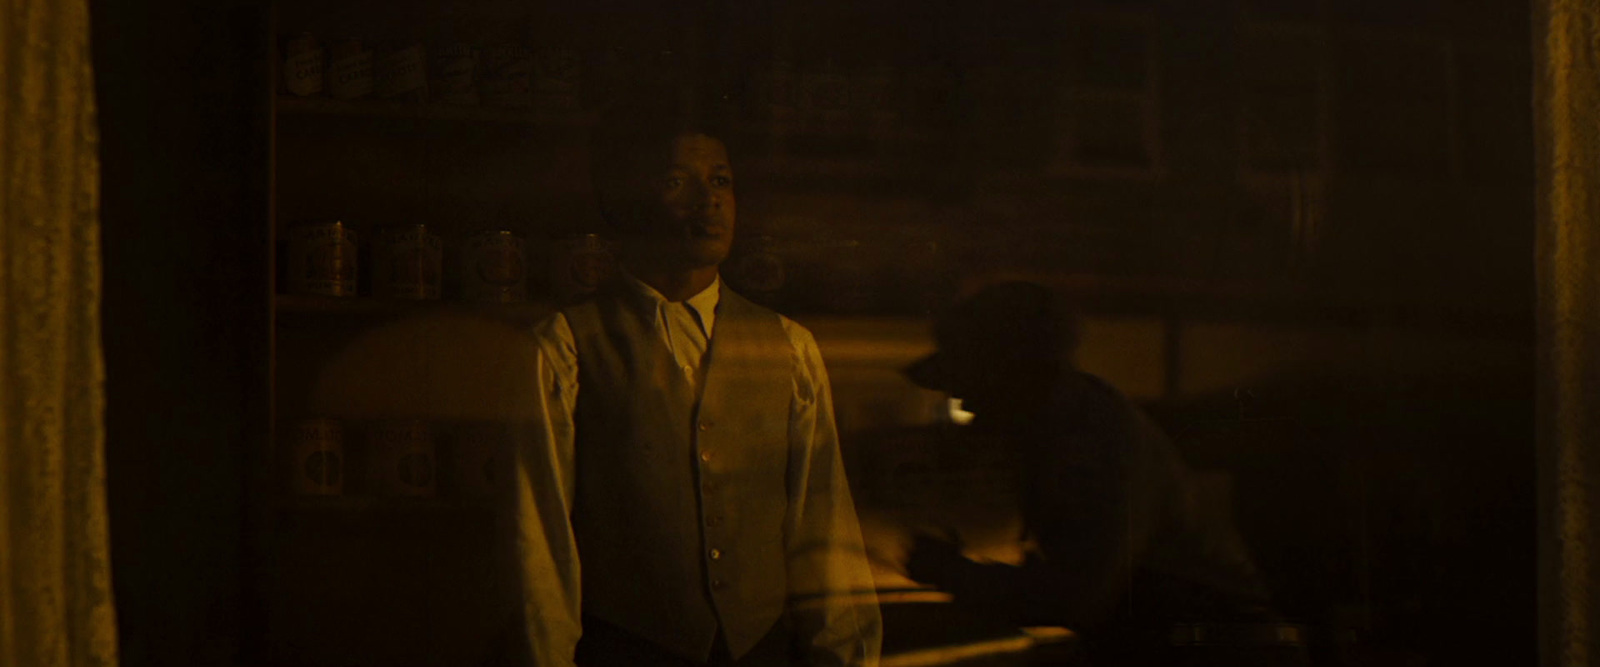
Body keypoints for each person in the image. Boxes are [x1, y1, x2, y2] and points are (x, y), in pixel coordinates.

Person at [513, 99, 881, 667]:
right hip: (626, 650)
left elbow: (824, 524)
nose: (708, 198)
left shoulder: (790, 347)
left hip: (760, 651)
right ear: (627, 201)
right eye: (675, 181)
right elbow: (536, 538)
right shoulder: (565, 346)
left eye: (721, 180)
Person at [900, 282, 1301, 666]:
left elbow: (1078, 597)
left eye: (970, 382)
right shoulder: (1068, 427)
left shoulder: (1091, 444)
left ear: (1019, 374)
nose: (962, 401)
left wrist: (955, 573)